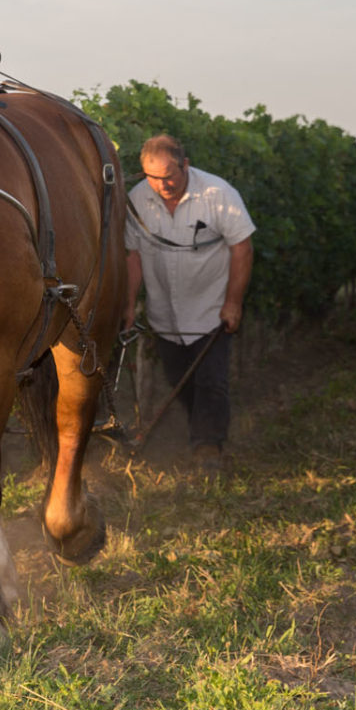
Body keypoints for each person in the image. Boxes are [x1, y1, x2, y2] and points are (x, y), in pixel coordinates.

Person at [123, 134, 255, 474]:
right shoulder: (137, 201)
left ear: (185, 165)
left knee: (211, 380)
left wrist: (233, 303)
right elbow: (133, 256)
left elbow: (242, 246)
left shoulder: (218, 194)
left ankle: (208, 447)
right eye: (152, 177)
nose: (162, 184)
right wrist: (127, 306)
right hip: (164, 316)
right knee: (179, 378)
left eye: (169, 175)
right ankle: (201, 432)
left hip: (211, 311)